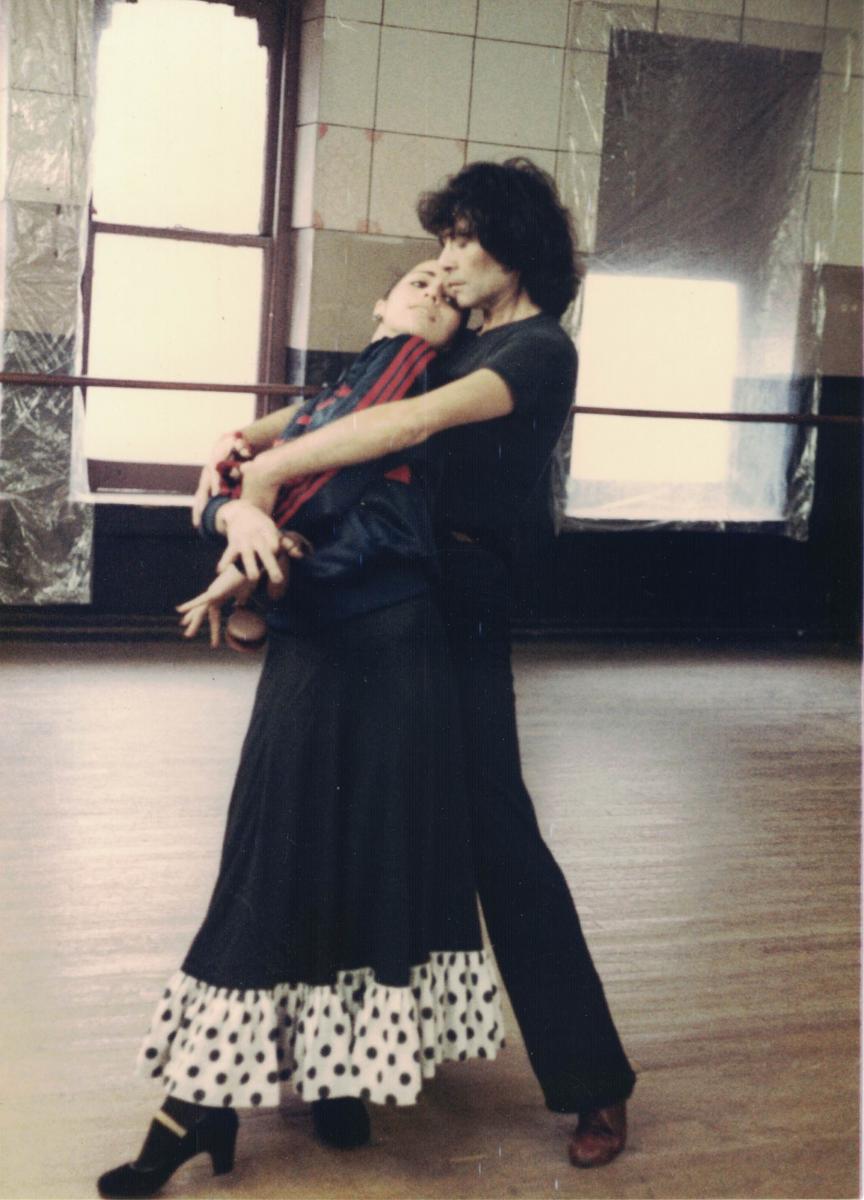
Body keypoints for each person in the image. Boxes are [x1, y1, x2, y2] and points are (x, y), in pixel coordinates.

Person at [198, 159, 637, 1169]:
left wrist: (269, 471)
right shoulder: (461, 340)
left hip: (463, 606)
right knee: (348, 812)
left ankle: (593, 1081)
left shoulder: (537, 351)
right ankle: (336, 1065)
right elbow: (357, 397)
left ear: (514, 249)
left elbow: (411, 420)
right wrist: (245, 437)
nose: (445, 261)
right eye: (443, 241)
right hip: (389, 592)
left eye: (462, 240)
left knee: (497, 835)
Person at [96, 262, 505, 1200]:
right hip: (315, 656)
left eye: (451, 288)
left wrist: (265, 558)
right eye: (419, 278)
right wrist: (240, 519)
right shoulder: (330, 402)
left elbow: (382, 532)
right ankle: (201, 1104)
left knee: (366, 852)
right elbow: (218, 493)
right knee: (274, 858)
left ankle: (329, 1077)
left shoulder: (430, 399)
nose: (436, 287)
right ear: (380, 305)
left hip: (391, 652)